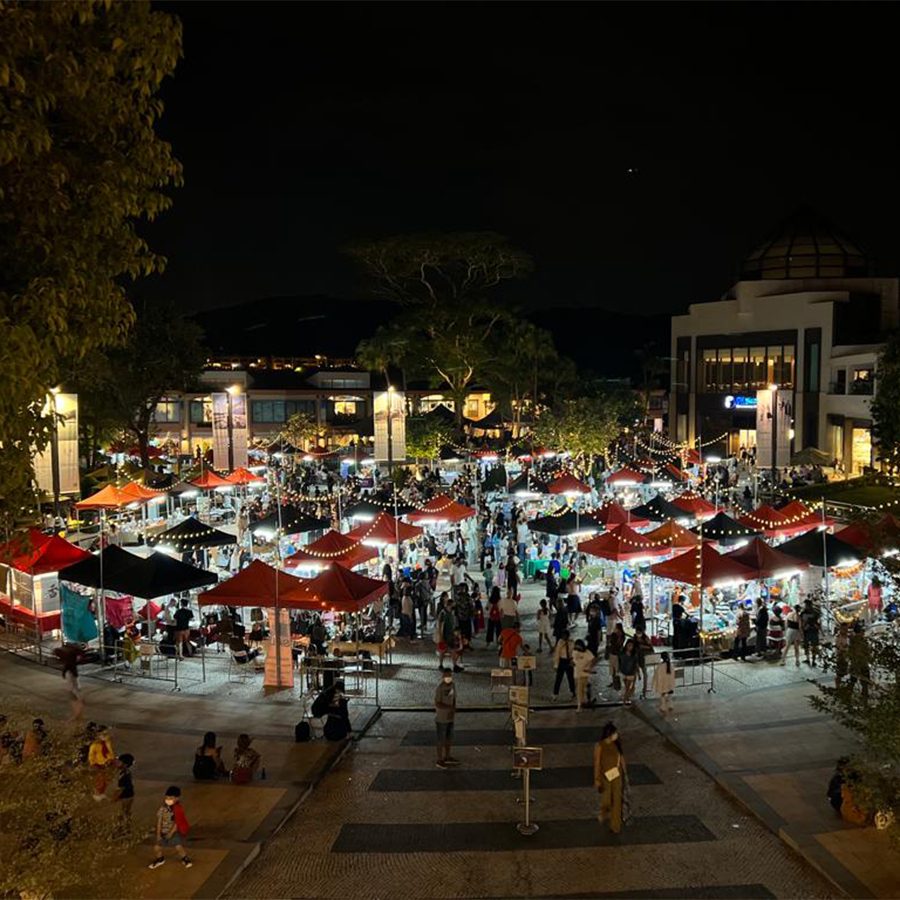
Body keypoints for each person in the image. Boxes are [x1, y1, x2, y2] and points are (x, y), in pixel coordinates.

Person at [593, 722, 626, 833]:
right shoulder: (600, 746)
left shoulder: (617, 744)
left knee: (617, 800)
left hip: (617, 775)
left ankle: (615, 826)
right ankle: (604, 811)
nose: (617, 735)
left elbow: (621, 759)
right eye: (615, 733)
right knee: (606, 800)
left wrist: (625, 774)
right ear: (610, 734)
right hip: (605, 776)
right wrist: (597, 779)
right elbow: (597, 763)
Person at [148, 786, 192, 869]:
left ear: (177, 798)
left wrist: (171, 833)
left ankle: (185, 858)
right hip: (163, 832)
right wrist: (158, 834)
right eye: (167, 797)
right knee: (157, 847)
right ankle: (160, 859)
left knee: (178, 846)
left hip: (173, 832)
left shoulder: (178, 809)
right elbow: (159, 821)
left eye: (171, 798)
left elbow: (177, 823)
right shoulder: (162, 809)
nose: (168, 799)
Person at [434, 669, 458, 769]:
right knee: (441, 739)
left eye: (450, 675)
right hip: (441, 718)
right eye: (446, 675)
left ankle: (447, 756)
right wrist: (449, 708)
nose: (448, 677)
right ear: (443, 677)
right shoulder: (439, 688)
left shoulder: (453, 685)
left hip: (450, 717)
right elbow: (437, 703)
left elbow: (454, 698)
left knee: (449, 738)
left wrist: (453, 709)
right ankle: (439, 760)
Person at [436, 593, 464, 673]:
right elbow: (440, 625)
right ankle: (441, 665)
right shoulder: (444, 613)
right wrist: (441, 636)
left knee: (452, 650)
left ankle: (454, 665)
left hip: (450, 635)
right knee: (443, 651)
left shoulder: (449, 613)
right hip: (445, 635)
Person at [88, 725, 116, 801]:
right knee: (99, 781)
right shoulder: (94, 745)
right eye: (104, 734)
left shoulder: (107, 742)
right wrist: (93, 764)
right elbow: (91, 756)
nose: (106, 736)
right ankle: (97, 793)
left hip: (107, 764)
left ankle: (102, 792)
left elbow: (110, 752)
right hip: (98, 765)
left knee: (105, 780)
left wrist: (111, 759)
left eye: (106, 734)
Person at [551, 629, 576, 702]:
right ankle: (555, 694)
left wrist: (573, 660)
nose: (563, 637)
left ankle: (573, 693)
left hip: (569, 661)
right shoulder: (560, 642)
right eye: (563, 636)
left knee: (571, 678)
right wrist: (556, 665)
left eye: (565, 636)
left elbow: (574, 652)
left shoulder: (571, 642)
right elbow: (557, 654)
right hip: (562, 661)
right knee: (558, 679)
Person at [572, 638, 596, 712]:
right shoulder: (574, 652)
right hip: (577, 674)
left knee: (584, 689)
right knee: (579, 690)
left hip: (585, 674)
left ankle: (583, 703)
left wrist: (589, 667)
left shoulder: (587, 652)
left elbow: (593, 659)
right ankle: (580, 704)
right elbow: (574, 661)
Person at [618, 638, 640, 705]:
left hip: (631, 673)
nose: (630, 647)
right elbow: (619, 662)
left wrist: (638, 673)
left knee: (627, 687)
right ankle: (627, 698)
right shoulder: (622, 653)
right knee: (626, 686)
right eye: (629, 645)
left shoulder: (634, 655)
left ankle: (625, 700)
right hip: (623, 672)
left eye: (631, 646)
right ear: (626, 645)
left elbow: (636, 665)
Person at [800, 598, 821, 666]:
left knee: (813, 646)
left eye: (806, 605)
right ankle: (808, 659)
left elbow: (819, 622)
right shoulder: (803, 612)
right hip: (807, 631)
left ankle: (813, 660)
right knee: (806, 646)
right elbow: (801, 622)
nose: (806, 606)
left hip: (813, 630)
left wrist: (814, 624)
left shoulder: (815, 612)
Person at [116, 753, 136, 823]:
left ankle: (125, 825)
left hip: (127, 795)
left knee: (125, 811)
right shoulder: (125, 772)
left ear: (125, 764)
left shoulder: (124, 775)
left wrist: (115, 797)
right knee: (126, 810)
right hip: (129, 794)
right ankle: (126, 823)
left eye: (119, 762)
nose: (117, 763)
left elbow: (121, 788)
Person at [606, 622, 625, 687]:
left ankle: (616, 682)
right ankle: (614, 682)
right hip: (614, 653)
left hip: (616, 654)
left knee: (616, 669)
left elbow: (612, 643)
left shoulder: (618, 635)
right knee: (613, 669)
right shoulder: (617, 635)